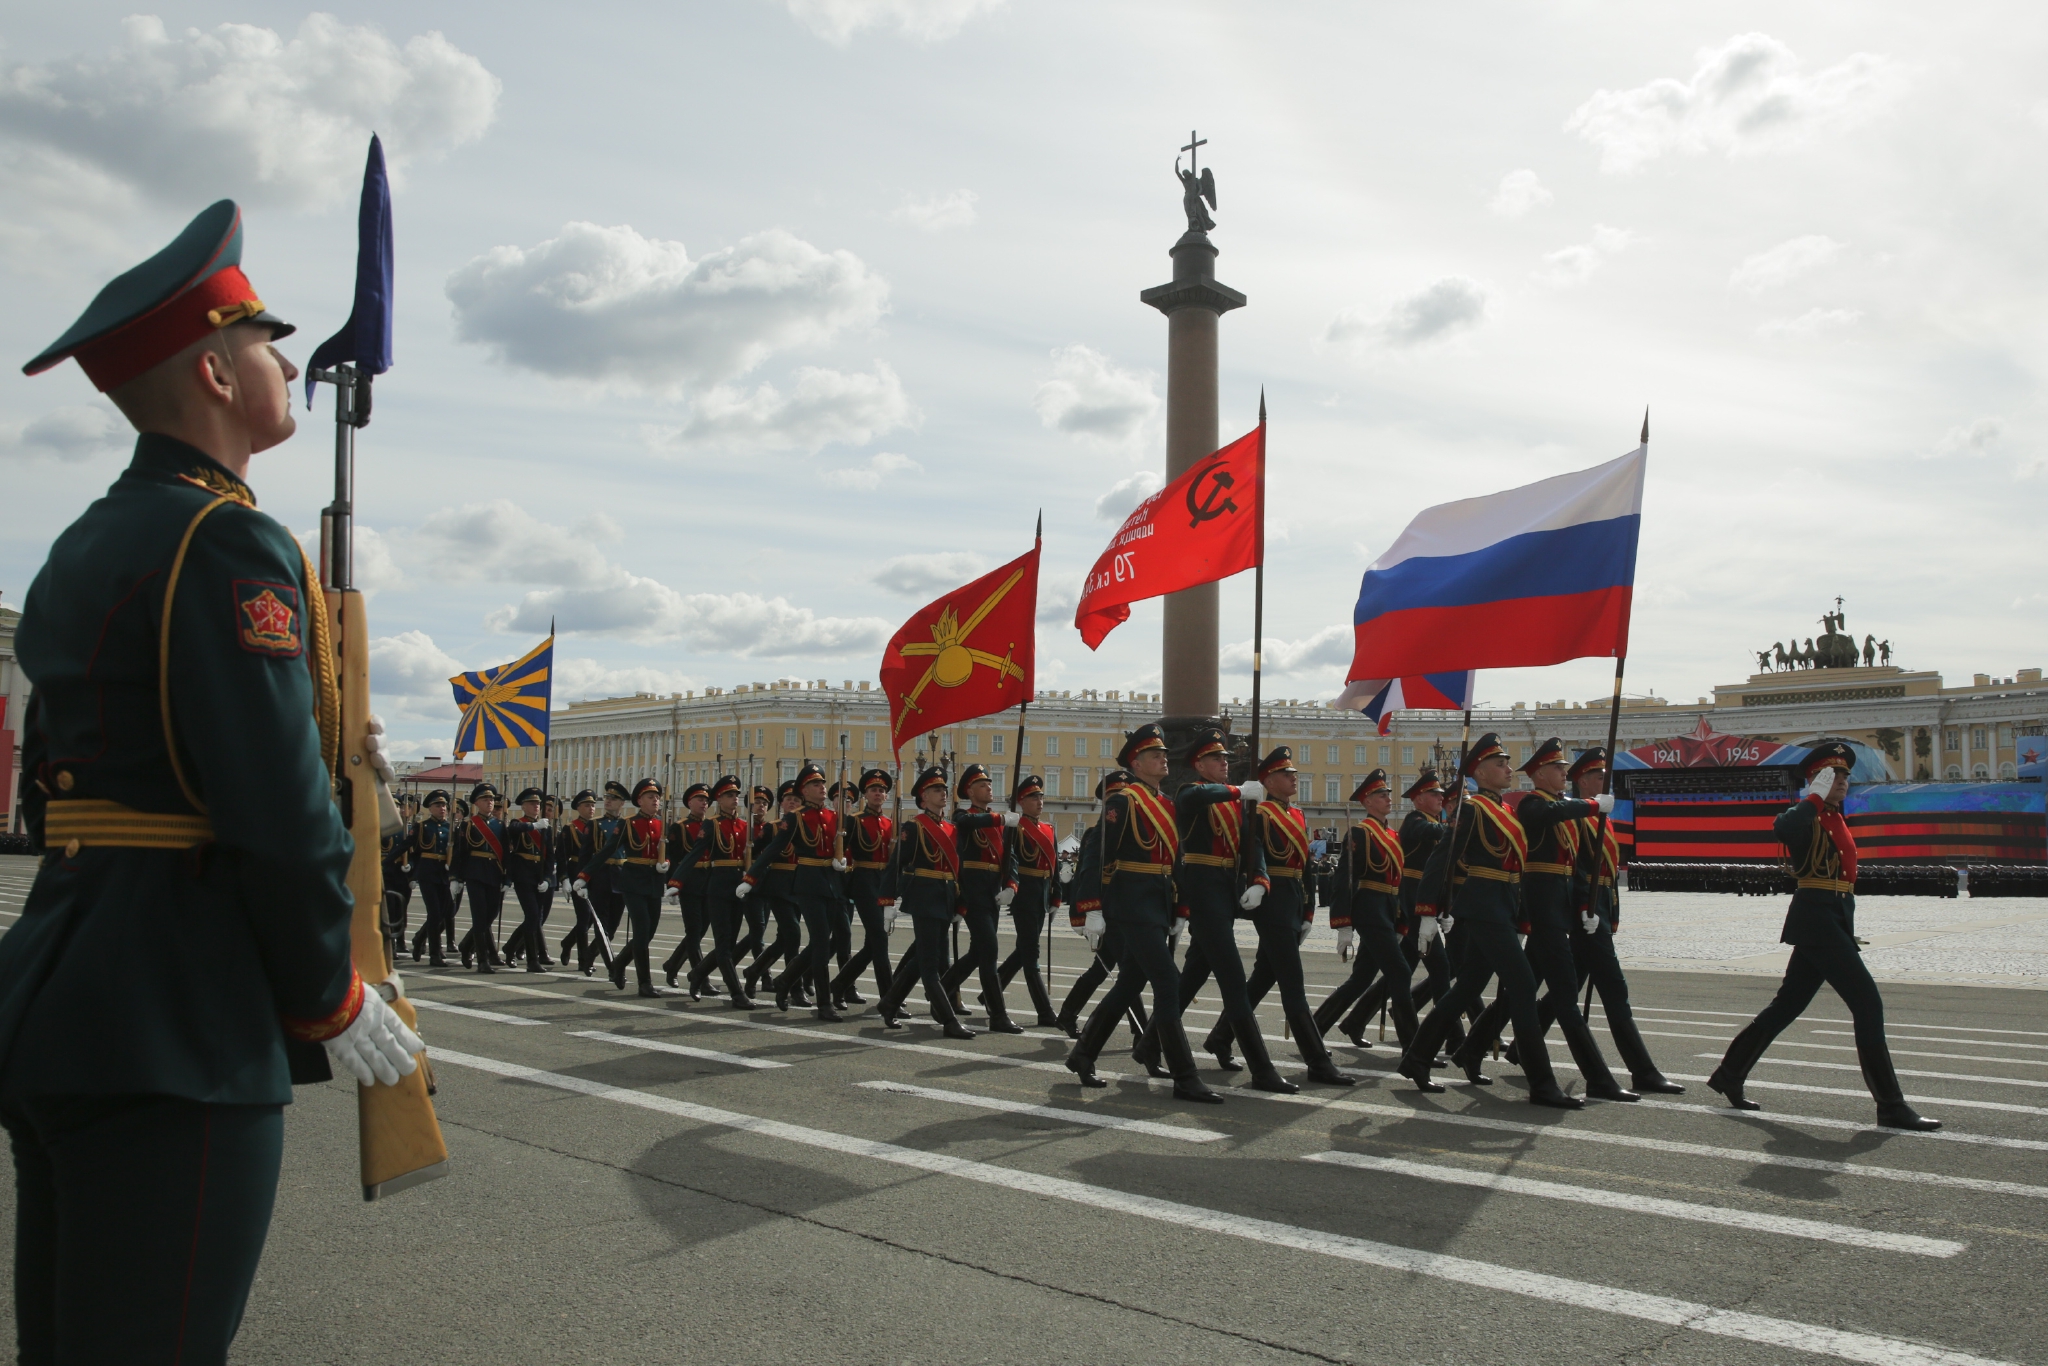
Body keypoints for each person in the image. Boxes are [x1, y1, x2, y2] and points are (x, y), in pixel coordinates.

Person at [4, 198, 421, 1362]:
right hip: (175, 1016)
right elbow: (276, 814)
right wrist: (329, 989)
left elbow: (127, 756)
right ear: (214, 371)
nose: (287, 362)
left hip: (69, 980)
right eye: (263, 341)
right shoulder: (229, 542)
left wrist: (326, 714)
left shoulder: (88, 540)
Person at [1709, 742, 1940, 1130]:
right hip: (1816, 920)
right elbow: (1782, 829)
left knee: (1787, 1006)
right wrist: (1814, 798)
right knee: (1868, 1003)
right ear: (1817, 780)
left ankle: (1729, 1075)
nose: (1843, 781)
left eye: (1846, 775)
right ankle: (1891, 1105)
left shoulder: (1836, 818)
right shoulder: (1807, 815)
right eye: (1834, 775)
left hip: (1833, 920)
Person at [1395, 734, 1585, 1109]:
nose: (1509, 769)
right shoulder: (1471, 809)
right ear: (1480, 771)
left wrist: (1523, 917)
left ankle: (1416, 1058)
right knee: (1523, 987)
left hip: (1501, 907)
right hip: (1483, 908)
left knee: (1465, 989)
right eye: (1501, 764)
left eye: (1507, 763)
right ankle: (1543, 1084)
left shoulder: (1505, 810)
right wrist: (1428, 911)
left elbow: (1517, 870)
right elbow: (1441, 861)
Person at [1452, 738, 1637, 1102]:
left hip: (1559, 909)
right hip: (1540, 910)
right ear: (1539, 773)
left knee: (1520, 992)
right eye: (1558, 769)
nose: (1564, 774)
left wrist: (1587, 906)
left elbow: (1580, 865)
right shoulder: (1535, 803)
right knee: (1563, 995)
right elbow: (1542, 818)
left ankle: (1470, 1050)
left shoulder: (1561, 807)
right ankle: (1595, 1077)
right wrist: (1589, 805)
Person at [1507, 748, 1682, 1093]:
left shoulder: (1593, 817)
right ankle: (1639, 1070)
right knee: (1606, 989)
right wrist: (1585, 908)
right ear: (1583, 781)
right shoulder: (1570, 814)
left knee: (1564, 989)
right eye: (1598, 777)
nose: (1605, 782)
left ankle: (1520, 1048)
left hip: (1592, 908)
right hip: (1578, 911)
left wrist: (1604, 910)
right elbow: (1577, 871)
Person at [1064, 724, 1220, 1103]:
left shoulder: (1165, 803)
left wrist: (1181, 908)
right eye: (1155, 755)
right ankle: (1185, 1075)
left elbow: (1175, 860)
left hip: (1157, 902)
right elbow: (1099, 858)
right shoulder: (1124, 801)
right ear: (1136, 763)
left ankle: (1083, 1054)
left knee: (1130, 983)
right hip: (1131, 905)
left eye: (1164, 754)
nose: (1163, 759)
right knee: (1168, 982)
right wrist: (1091, 909)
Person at [1139, 730, 1294, 1092]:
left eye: (1226, 759)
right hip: (1202, 888)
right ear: (1199, 765)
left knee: (1193, 974)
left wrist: (1259, 879)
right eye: (1217, 759)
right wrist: (1241, 790)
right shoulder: (1191, 791)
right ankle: (1262, 1068)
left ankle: (1149, 1045)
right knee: (1233, 978)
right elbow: (1197, 797)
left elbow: (1251, 842)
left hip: (1227, 890)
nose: (1225, 763)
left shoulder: (1235, 801)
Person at [1219, 748, 1354, 1087]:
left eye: (1294, 772)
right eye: (1286, 773)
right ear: (1268, 781)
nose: (1295, 777)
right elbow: (1254, 853)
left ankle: (1219, 1037)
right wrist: (1259, 885)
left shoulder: (1296, 813)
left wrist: (1308, 910)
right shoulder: (1260, 813)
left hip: (1292, 900)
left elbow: (1305, 865)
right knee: (1293, 984)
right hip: (1272, 900)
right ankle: (1317, 1061)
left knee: (1263, 977)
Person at [1311, 769, 1420, 1053]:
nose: (1387, 798)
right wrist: (1343, 922)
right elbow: (1344, 879)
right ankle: (1415, 1047)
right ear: (1367, 801)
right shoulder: (1360, 832)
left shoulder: (1392, 835)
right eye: (1381, 795)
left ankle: (1321, 1028)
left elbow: (1398, 882)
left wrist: (1400, 921)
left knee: (1361, 978)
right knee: (1399, 971)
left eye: (1387, 794)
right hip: (1369, 909)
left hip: (1387, 909)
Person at [741, 763, 850, 1021]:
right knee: (821, 942)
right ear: (804, 790)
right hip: (808, 884)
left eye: (823, 783)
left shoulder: (835, 817)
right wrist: (750, 877)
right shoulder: (796, 817)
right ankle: (824, 1004)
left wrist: (844, 861)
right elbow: (773, 849)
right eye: (815, 784)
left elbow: (844, 847)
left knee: (836, 938)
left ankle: (785, 980)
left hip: (833, 883)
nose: (822, 787)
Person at [874, 767, 975, 1038]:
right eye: (936, 790)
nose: (943, 794)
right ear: (923, 796)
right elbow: (897, 865)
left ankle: (889, 1002)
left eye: (944, 789)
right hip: (923, 898)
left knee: (921, 960)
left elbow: (959, 870)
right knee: (931, 965)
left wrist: (960, 903)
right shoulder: (915, 826)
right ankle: (949, 1020)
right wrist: (887, 900)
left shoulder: (951, 828)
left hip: (945, 899)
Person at [1051, 770, 1149, 1044]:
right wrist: (1087, 912)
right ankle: (1140, 1031)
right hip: (1108, 913)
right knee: (1122, 969)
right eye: (1114, 798)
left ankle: (1068, 1014)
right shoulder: (1098, 833)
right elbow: (1087, 873)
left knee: (1111, 969)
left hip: (1127, 909)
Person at [938, 764, 1025, 1034]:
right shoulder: (965, 815)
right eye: (982, 784)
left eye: (989, 783)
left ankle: (940, 993)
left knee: (979, 952)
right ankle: (997, 1014)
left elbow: (1008, 856)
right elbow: (964, 823)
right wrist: (1001, 819)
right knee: (989, 949)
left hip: (993, 890)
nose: (989, 787)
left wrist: (1011, 883)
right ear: (970, 791)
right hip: (973, 889)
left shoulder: (996, 820)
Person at [673, 776, 759, 1008]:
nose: (734, 799)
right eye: (729, 796)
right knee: (722, 943)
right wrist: (676, 881)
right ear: (719, 800)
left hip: (739, 889)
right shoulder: (711, 824)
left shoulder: (744, 825)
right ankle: (737, 993)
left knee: (730, 943)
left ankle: (697, 973)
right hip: (718, 887)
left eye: (736, 796)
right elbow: (694, 853)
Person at [580, 778, 668, 997]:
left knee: (649, 932)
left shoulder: (661, 824)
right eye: (650, 797)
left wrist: (667, 866)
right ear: (640, 800)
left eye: (657, 797)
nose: (655, 800)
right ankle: (644, 982)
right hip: (633, 883)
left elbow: (669, 852)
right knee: (641, 930)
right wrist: (584, 875)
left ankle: (618, 964)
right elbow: (607, 850)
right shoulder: (628, 823)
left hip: (654, 883)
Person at [992, 774, 1063, 1028]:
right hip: (1024, 894)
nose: (1039, 801)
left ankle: (992, 990)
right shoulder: (1015, 827)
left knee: (1024, 950)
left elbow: (1054, 866)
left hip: (1042, 893)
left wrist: (1056, 896)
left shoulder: (1048, 829)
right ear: (1021, 801)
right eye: (1033, 797)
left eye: (1041, 796)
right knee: (1031, 953)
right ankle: (1044, 1011)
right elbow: (1009, 860)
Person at [828, 769, 896, 1009]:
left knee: (873, 944)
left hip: (884, 883)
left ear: (886, 796)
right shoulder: (855, 820)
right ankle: (889, 997)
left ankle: (839, 984)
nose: (878, 793)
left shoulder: (891, 823)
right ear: (865, 795)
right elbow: (840, 849)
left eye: (882, 790)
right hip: (864, 882)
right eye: (873, 790)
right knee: (879, 938)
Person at [661, 783, 715, 989]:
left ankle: (673, 964)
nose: (704, 803)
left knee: (700, 931)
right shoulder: (680, 827)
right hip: (690, 882)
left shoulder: (711, 825)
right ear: (690, 802)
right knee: (693, 931)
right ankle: (701, 978)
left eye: (706, 800)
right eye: (700, 800)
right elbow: (674, 858)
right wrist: (673, 884)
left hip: (708, 882)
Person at [453, 782, 508, 973]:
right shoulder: (468, 825)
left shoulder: (500, 825)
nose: (490, 803)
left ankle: (466, 945)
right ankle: (482, 960)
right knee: (479, 917)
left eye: (492, 800)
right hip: (475, 873)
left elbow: (506, 853)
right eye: (485, 800)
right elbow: (460, 853)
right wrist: (456, 878)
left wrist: (507, 878)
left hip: (494, 873)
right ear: (476, 803)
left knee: (491, 914)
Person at [557, 790, 612, 975]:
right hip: (576, 874)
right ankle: (583, 959)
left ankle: (567, 943)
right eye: (587, 805)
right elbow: (562, 856)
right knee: (583, 918)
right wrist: (564, 878)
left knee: (591, 919)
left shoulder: (597, 826)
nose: (591, 808)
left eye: (593, 805)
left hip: (595, 875)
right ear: (578, 808)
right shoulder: (570, 829)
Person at [501, 787, 554, 973]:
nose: (536, 806)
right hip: (523, 875)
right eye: (532, 803)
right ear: (523, 806)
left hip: (539, 877)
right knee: (532, 915)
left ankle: (510, 947)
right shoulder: (520, 823)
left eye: (538, 804)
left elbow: (550, 856)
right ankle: (532, 960)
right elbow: (513, 829)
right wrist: (533, 826)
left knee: (535, 918)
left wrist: (548, 877)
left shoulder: (545, 827)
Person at [410, 790, 456, 966]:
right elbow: (411, 849)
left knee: (447, 914)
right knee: (435, 914)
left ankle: (420, 937)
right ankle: (435, 955)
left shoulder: (450, 828)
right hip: (427, 874)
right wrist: (411, 872)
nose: (442, 808)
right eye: (438, 806)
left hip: (444, 875)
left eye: (444, 805)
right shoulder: (422, 827)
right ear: (430, 808)